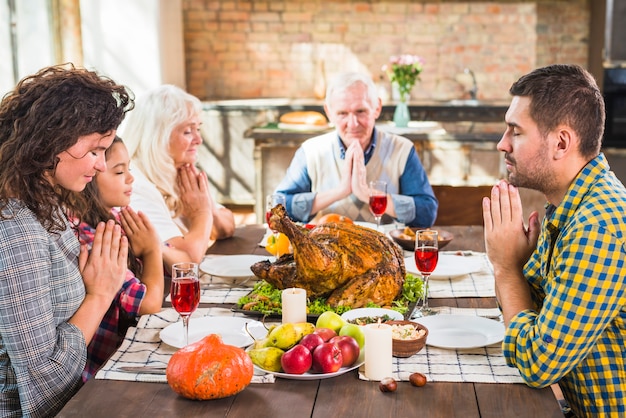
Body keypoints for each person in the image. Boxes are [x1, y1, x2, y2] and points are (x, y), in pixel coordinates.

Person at [482, 64, 626, 417]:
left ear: (561, 142)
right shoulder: (567, 205)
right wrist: (514, 273)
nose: (502, 144)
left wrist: (506, 267)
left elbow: (536, 363)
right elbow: (528, 311)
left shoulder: (596, 226)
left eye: (515, 132)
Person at [0, 64, 133, 416]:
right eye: (95, 150)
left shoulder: (43, 202)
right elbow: (44, 380)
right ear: (51, 142)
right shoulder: (14, 228)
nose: (102, 165)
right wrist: (100, 294)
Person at [275, 72, 437, 227]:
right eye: (342, 113)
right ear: (329, 112)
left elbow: (427, 213)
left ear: (377, 108)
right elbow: (277, 207)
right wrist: (339, 191)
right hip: (326, 251)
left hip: (384, 251)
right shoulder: (311, 151)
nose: (352, 123)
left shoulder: (402, 149)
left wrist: (367, 194)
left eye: (361, 111)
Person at [70, 136, 164, 381]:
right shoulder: (92, 236)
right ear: (90, 177)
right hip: (99, 374)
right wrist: (153, 250)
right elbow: (148, 304)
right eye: (120, 171)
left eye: (129, 169)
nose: (131, 178)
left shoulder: (111, 217)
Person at [121, 85, 235, 269]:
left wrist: (207, 206)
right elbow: (186, 261)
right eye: (188, 131)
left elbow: (227, 227)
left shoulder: (179, 170)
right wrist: (201, 214)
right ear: (158, 136)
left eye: (198, 129)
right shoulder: (134, 184)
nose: (199, 140)